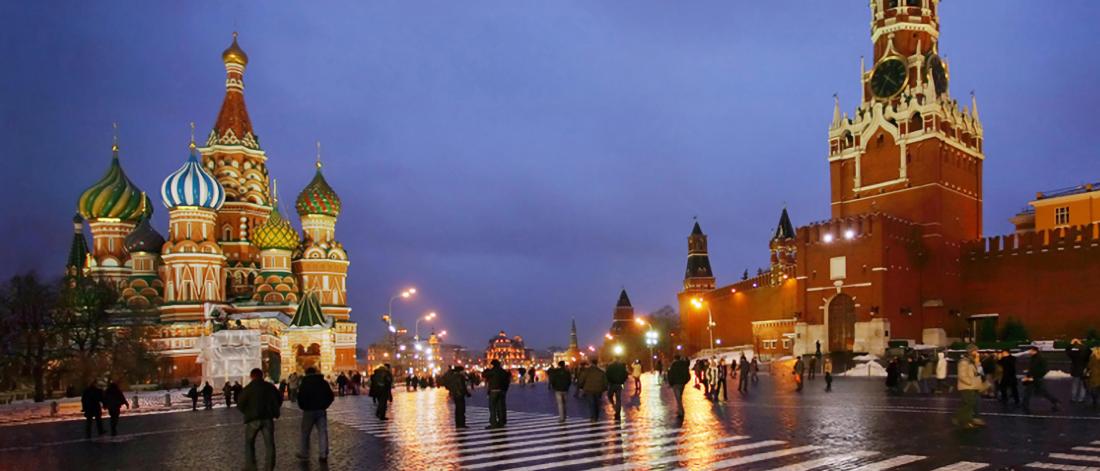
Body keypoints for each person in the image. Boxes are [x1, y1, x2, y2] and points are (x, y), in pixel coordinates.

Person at [239, 368, 282, 471]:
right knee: (269, 444)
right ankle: (269, 467)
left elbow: (240, 403)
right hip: (267, 418)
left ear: (251, 376)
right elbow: (279, 399)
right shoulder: (270, 387)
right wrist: (273, 410)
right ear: (262, 376)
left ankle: (251, 466)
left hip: (253, 419)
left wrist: (247, 412)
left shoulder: (248, 388)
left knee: (249, 443)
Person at [296, 366, 334, 462]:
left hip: (308, 411)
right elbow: (330, 396)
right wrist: (325, 405)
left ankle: (304, 453)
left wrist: (303, 406)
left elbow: (300, 397)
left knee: (305, 433)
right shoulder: (323, 382)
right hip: (321, 410)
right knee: (322, 432)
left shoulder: (304, 383)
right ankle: (323, 454)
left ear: (307, 373)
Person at [1022, 346, 1060, 414]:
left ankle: (1055, 401)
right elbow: (1031, 369)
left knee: (1041, 392)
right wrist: (1027, 376)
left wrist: (1033, 377)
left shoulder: (1040, 359)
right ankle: (1024, 405)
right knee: (1029, 391)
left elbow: (1044, 370)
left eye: (1030, 351)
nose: (1029, 352)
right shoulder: (1033, 358)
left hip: (1037, 378)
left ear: (1034, 351)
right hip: (1033, 378)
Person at [955, 344, 985, 429]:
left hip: (974, 387)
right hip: (967, 387)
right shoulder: (964, 361)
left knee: (974, 404)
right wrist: (970, 382)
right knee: (969, 403)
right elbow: (962, 375)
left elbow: (981, 373)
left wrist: (977, 362)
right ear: (971, 352)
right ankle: (961, 419)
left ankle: (969, 420)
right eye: (976, 351)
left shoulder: (973, 362)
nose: (977, 353)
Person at [483, 359, 511, 428]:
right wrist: (505, 390)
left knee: (492, 408)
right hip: (502, 391)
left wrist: (486, 370)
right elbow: (507, 381)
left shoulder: (492, 371)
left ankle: (493, 423)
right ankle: (501, 422)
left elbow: (484, 375)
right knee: (501, 407)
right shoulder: (503, 372)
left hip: (493, 391)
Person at [1066, 339, 1090, 403]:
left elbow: (1067, 352)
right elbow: (1089, 352)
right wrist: (1081, 344)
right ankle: (1081, 399)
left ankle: (1073, 398)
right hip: (1084, 370)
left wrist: (1071, 344)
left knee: (1075, 384)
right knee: (1083, 385)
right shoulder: (1085, 351)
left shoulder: (1074, 352)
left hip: (1075, 370)